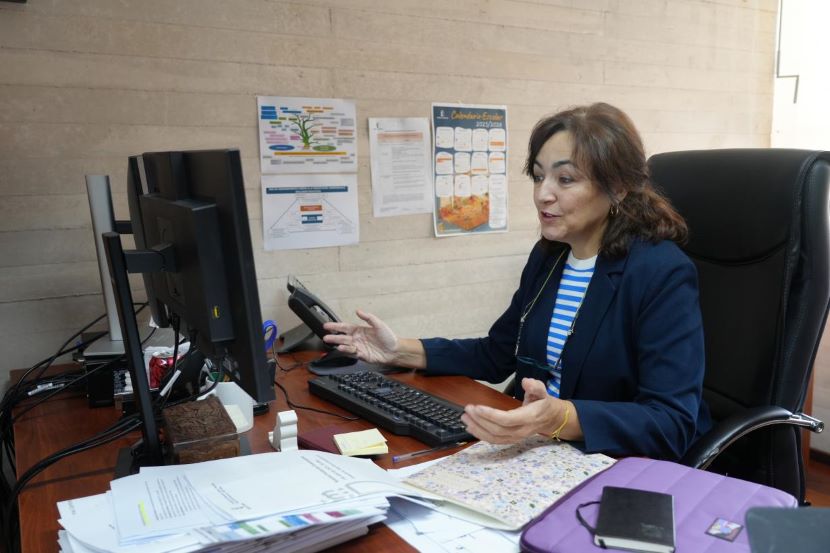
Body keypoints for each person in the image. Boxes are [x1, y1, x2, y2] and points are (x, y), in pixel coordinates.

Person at [323, 103, 711, 460]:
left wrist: (559, 417)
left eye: (565, 179)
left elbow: (670, 423)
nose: (543, 194)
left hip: (610, 460)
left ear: (618, 187)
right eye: (539, 177)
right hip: (539, 448)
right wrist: (399, 350)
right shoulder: (549, 257)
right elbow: (497, 353)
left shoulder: (660, 272)